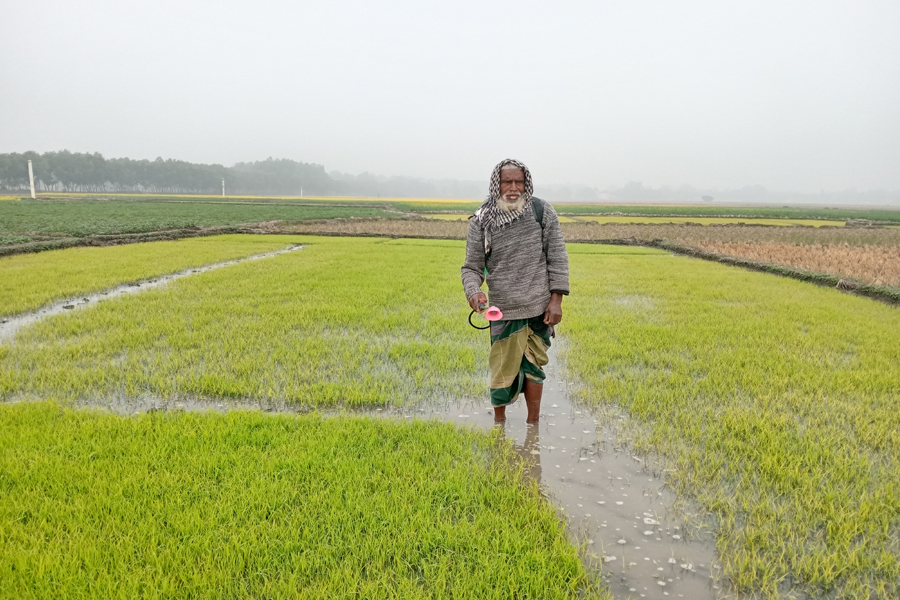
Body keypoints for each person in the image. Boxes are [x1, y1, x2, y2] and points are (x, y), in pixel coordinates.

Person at [461, 159, 569, 424]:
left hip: (538, 308)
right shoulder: (482, 220)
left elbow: (557, 258)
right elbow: (472, 266)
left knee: (534, 369)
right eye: (506, 181)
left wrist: (556, 301)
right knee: (501, 370)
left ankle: (533, 426)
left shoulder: (542, 212)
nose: (513, 188)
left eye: (518, 182)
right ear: (496, 184)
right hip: (503, 311)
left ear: (526, 183)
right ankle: (500, 426)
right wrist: (474, 291)